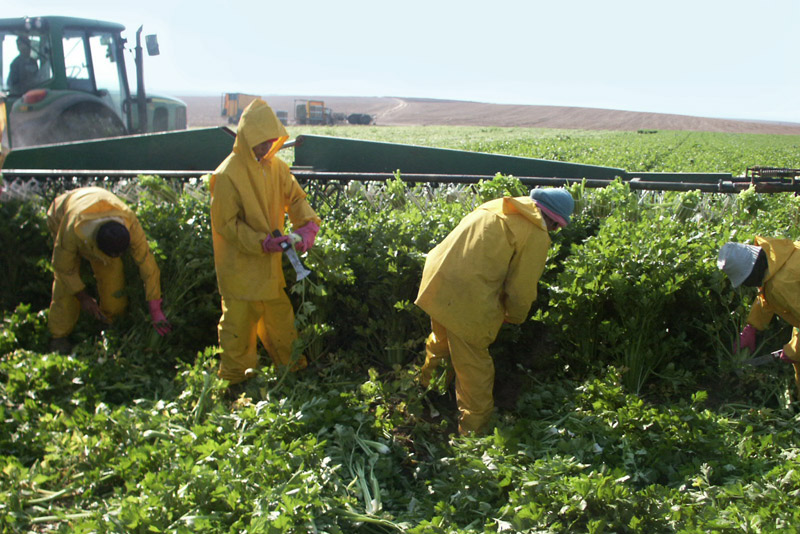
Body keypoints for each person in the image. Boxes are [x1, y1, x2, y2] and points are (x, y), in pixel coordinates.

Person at [415, 187, 575, 435]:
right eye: (557, 227)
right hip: (467, 295)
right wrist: (515, 315)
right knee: (475, 367)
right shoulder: (535, 232)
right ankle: (473, 432)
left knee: (442, 340)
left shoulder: (500, 205)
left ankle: (427, 392)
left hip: (438, 279)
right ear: (553, 220)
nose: (554, 232)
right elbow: (521, 289)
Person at [209, 98, 321, 386]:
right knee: (238, 330)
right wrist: (262, 242)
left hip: (269, 270)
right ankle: (236, 383)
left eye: (270, 142)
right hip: (240, 270)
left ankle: (293, 374)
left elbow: (295, 199)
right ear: (247, 138)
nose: (266, 147)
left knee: (281, 323)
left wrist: (307, 226)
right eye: (261, 142)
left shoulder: (277, 169)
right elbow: (226, 224)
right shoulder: (226, 175)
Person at [47, 187, 171, 353]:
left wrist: (155, 305)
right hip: (62, 214)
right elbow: (63, 268)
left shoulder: (129, 221)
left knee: (113, 281)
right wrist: (83, 297)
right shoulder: (73, 229)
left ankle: (110, 325)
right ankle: (59, 336)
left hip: (98, 209)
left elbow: (147, 262)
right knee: (65, 285)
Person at [718, 238, 800, 390]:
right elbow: (767, 296)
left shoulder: (784, 283)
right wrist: (752, 326)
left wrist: (795, 349)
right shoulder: (778, 257)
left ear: (752, 272)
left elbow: (776, 291)